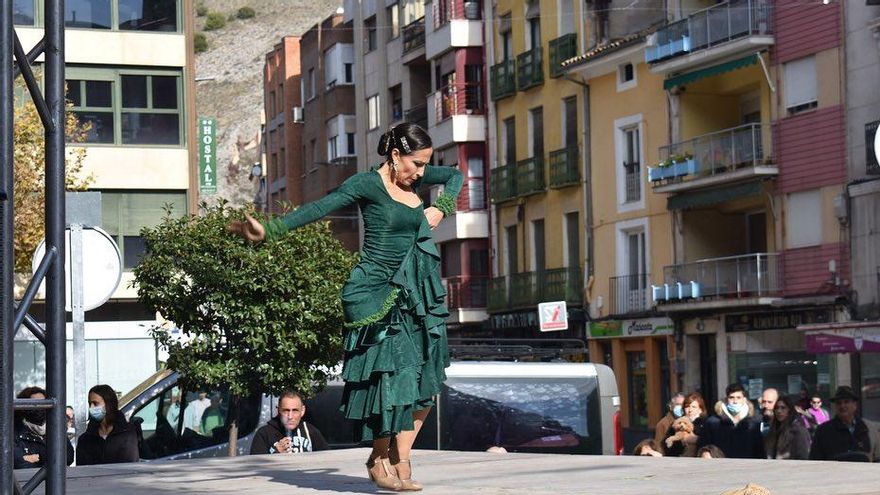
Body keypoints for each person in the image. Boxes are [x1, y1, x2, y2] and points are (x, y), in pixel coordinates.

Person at [229, 122, 462, 491]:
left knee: (425, 379)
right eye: (416, 164)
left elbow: (454, 175)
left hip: (415, 292)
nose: (420, 173)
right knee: (392, 377)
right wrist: (270, 231)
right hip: (374, 293)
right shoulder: (366, 184)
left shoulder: (414, 179)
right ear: (395, 155)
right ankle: (379, 457)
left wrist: (441, 208)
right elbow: (321, 207)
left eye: (424, 165)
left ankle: (400, 457)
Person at [810, 386, 880, 462]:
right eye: (839, 403)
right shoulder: (823, 431)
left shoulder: (869, 428)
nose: (842, 406)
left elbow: (877, 459)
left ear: (855, 405)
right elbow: (815, 460)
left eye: (846, 402)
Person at [76, 384, 140, 465]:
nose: (91, 407)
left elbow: (129, 465)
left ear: (108, 404)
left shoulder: (126, 434)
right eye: (90, 403)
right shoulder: (85, 439)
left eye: (95, 403)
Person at [250, 390, 329, 455]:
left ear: (302, 411)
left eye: (295, 410)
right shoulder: (264, 434)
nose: (290, 416)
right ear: (278, 410)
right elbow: (255, 465)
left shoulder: (311, 432)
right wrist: (275, 453)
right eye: (286, 410)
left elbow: (327, 460)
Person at [13, 387, 74, 469]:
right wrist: (51, 458)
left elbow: (68, 458)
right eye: (35, 405)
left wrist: (38, 457)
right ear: (23, 409)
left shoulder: (56, 429)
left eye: (43, 404)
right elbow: (18, 463)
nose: (40, 408)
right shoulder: (14, 432)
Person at [700, 383, 764, 459]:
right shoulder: (713, 422)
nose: (735, 401)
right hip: (721, 464)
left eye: (738, 398)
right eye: (731, 397)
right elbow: (705, 447)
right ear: (726, 399)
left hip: (746, 464)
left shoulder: (753, 422)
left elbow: (759, 450)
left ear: (744, 399)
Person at [763, 395, 811, 460]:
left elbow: (804, 456)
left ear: (790, 410)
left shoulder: (798, 431)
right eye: (777, 408)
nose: (779, 411)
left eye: (783, 408)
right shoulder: (773, 430)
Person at [664, 392, 707, 457]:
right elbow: (668, 448)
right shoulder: (677, 423)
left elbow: (710, 443)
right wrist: (680, 440)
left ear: (700, 409)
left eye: (694, 407)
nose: (690, 410)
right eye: (687, 406)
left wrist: (696, 439)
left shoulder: (705, 423)